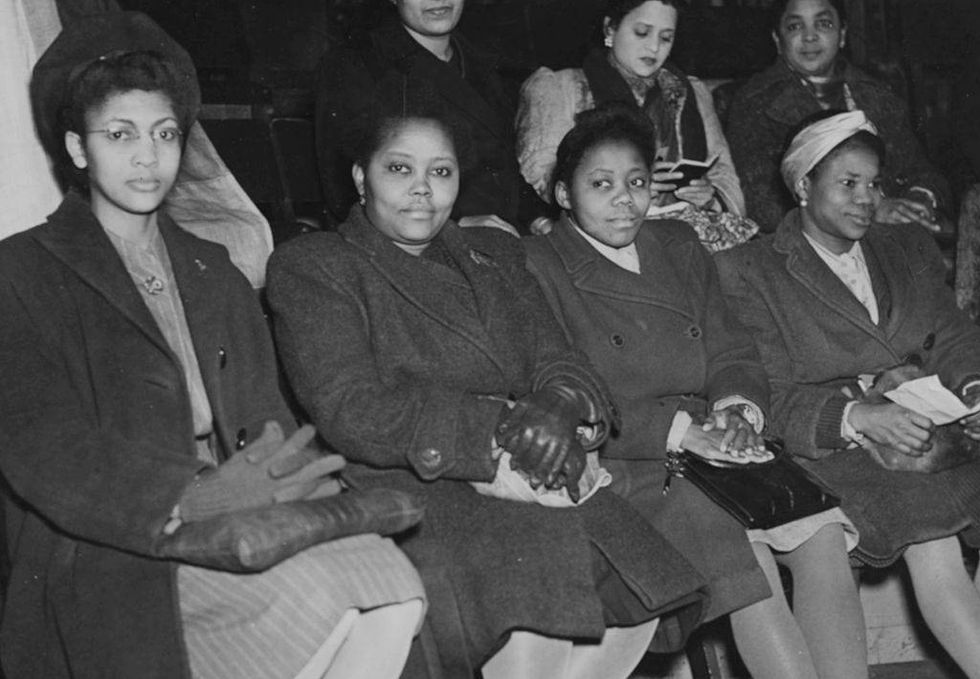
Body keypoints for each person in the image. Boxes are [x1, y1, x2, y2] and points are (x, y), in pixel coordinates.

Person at [0, 12, 425, 679]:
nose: (148, 157)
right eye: (121, 134)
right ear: (78, 149)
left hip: (240, 516)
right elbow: (42, 446)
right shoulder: (21, 272)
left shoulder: (213, 266)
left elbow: (265, 417)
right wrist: (188, 497)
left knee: (394, 584)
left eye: (165, 134)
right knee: (330, 597)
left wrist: (293, 487)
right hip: (118, 543)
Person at [267, 112, 709, 679]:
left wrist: (562, 405)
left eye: (441, 171)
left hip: (537, 464)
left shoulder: (493, 255)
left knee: (643, 589)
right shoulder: (317, 264)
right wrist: (503, 429)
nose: (423, 188)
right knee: (537, 592)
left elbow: (561, 361)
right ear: (360, 178)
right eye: (399, 169)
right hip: (414, 477)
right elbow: (351, 407)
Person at [525, 106, 865, 679]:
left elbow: (733, 350)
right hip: (634, 463)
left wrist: (737, 412)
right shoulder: (539, 265)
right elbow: (566, 394)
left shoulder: (677, 244)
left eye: (636, 183)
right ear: (562, 193)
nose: (624, 200)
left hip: (721, 444)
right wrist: (685, 433)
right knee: (745, 556)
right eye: (601, 185)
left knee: (823, 534)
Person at [716, 110, 980, 679]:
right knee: (933, 546)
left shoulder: (902, 247)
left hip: (930, 435)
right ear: (803, 185)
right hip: (838, 453)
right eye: (847, 183)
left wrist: (974, 386)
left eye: (873, 183)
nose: (866, 199)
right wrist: (859, 415)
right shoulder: (752, 270)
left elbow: (953, 334)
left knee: (943, 542)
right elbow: (768, 395)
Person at [516, 0, 756, 251]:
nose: (654, 47)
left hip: (688, 236)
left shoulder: (690, 93)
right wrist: (631, 188)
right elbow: (544, 178)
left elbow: (726, 179)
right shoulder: (561, 88)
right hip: (600, 234)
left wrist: (710, 198)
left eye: (666, 38)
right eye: (642, 32)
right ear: (610, 29)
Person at [315, 0, 547, 233]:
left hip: (505, 230)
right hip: (411, 236)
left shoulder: (483, 63)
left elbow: (504, 168)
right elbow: (341, 184)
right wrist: (451, 224)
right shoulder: (356, 64)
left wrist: (538, 218)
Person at [726, 0, 950, 233]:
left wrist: (919, 199)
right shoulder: (754, 102)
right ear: (777, 40)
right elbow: (765, 206)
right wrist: (871, 210)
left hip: (897, 235)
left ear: (842, 34)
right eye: (795, 27)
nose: (809, 36)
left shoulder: (876, 94)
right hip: (811, 244)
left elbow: (921, 170)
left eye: (823, 24)